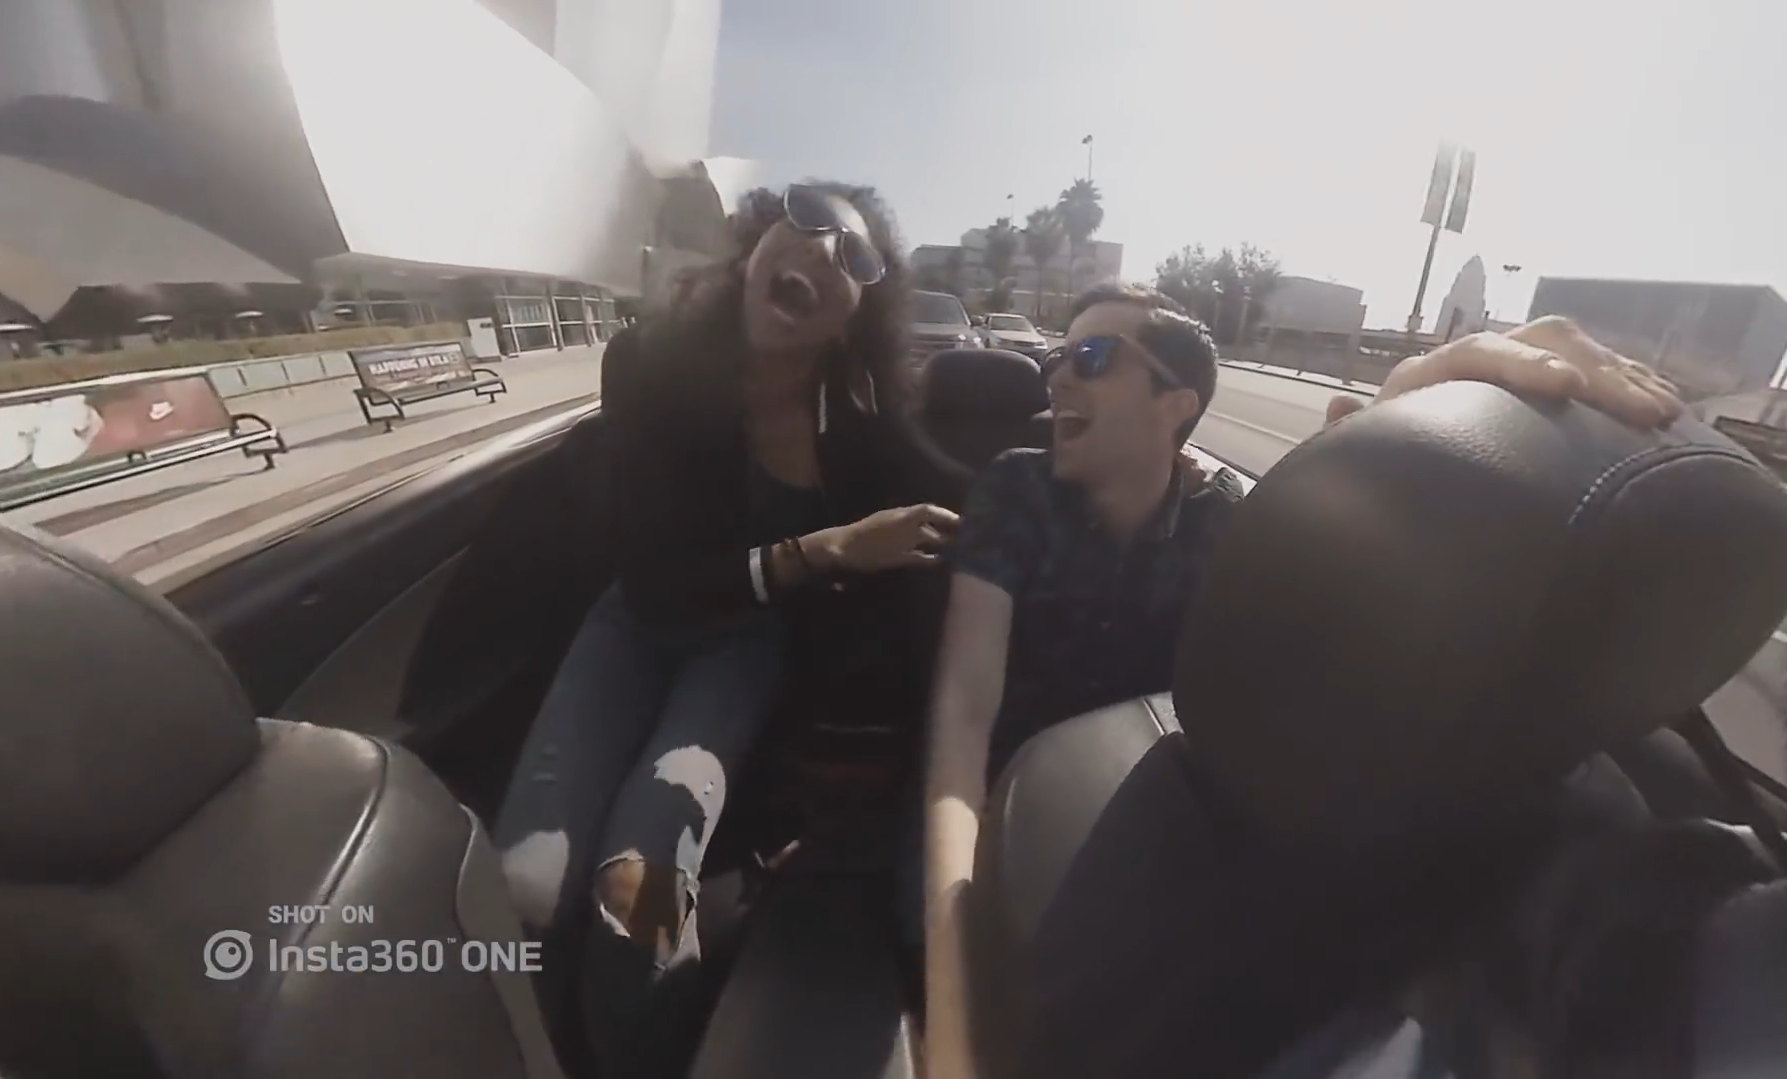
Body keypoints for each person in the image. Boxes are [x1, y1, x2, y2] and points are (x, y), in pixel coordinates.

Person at [917, 285, 1685, 1079]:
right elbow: (964, 708)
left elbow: (1333, 575)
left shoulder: (1224, 517)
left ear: (1175, 405)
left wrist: (1400, 431)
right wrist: (953, 984)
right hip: (1003, 808)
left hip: (1154, 826)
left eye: (1091, 356)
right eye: (1057, 355)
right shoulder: (1016, 488)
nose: (1055, 375)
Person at [491, 182, 967, 1074]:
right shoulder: (652, 364)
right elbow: (658, 588)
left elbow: (955, 495)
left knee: (633, 905)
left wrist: (1089, 477)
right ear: (756, 242)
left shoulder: (856, 416)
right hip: (636, 625)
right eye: (808, 217)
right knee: (524, 887)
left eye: (854, 256)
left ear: (853, 316)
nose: (822, 248)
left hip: (745, 644)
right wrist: (826, 547)